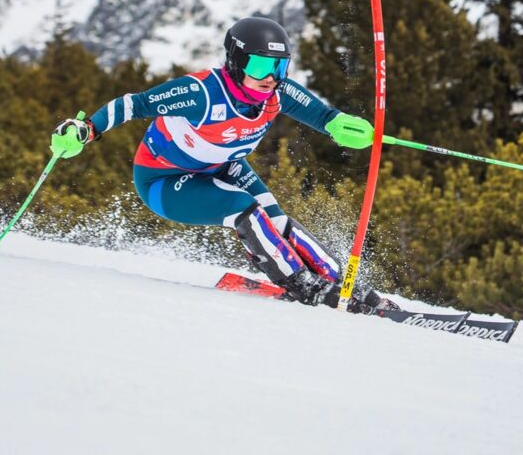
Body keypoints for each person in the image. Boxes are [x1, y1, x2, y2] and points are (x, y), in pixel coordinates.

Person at [50, 16, 396, 312]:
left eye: (279, 67)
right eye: (260, 66)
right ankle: (304, 285)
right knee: (242, 208)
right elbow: (134, 104)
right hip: (164, 180)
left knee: (275, 219)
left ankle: (345, 285)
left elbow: (322, 116)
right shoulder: (201, 92)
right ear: (236, 61)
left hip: (222, 165)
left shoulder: (277, 93)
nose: (271, 77)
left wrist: (342, 127)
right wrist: (88, 128)